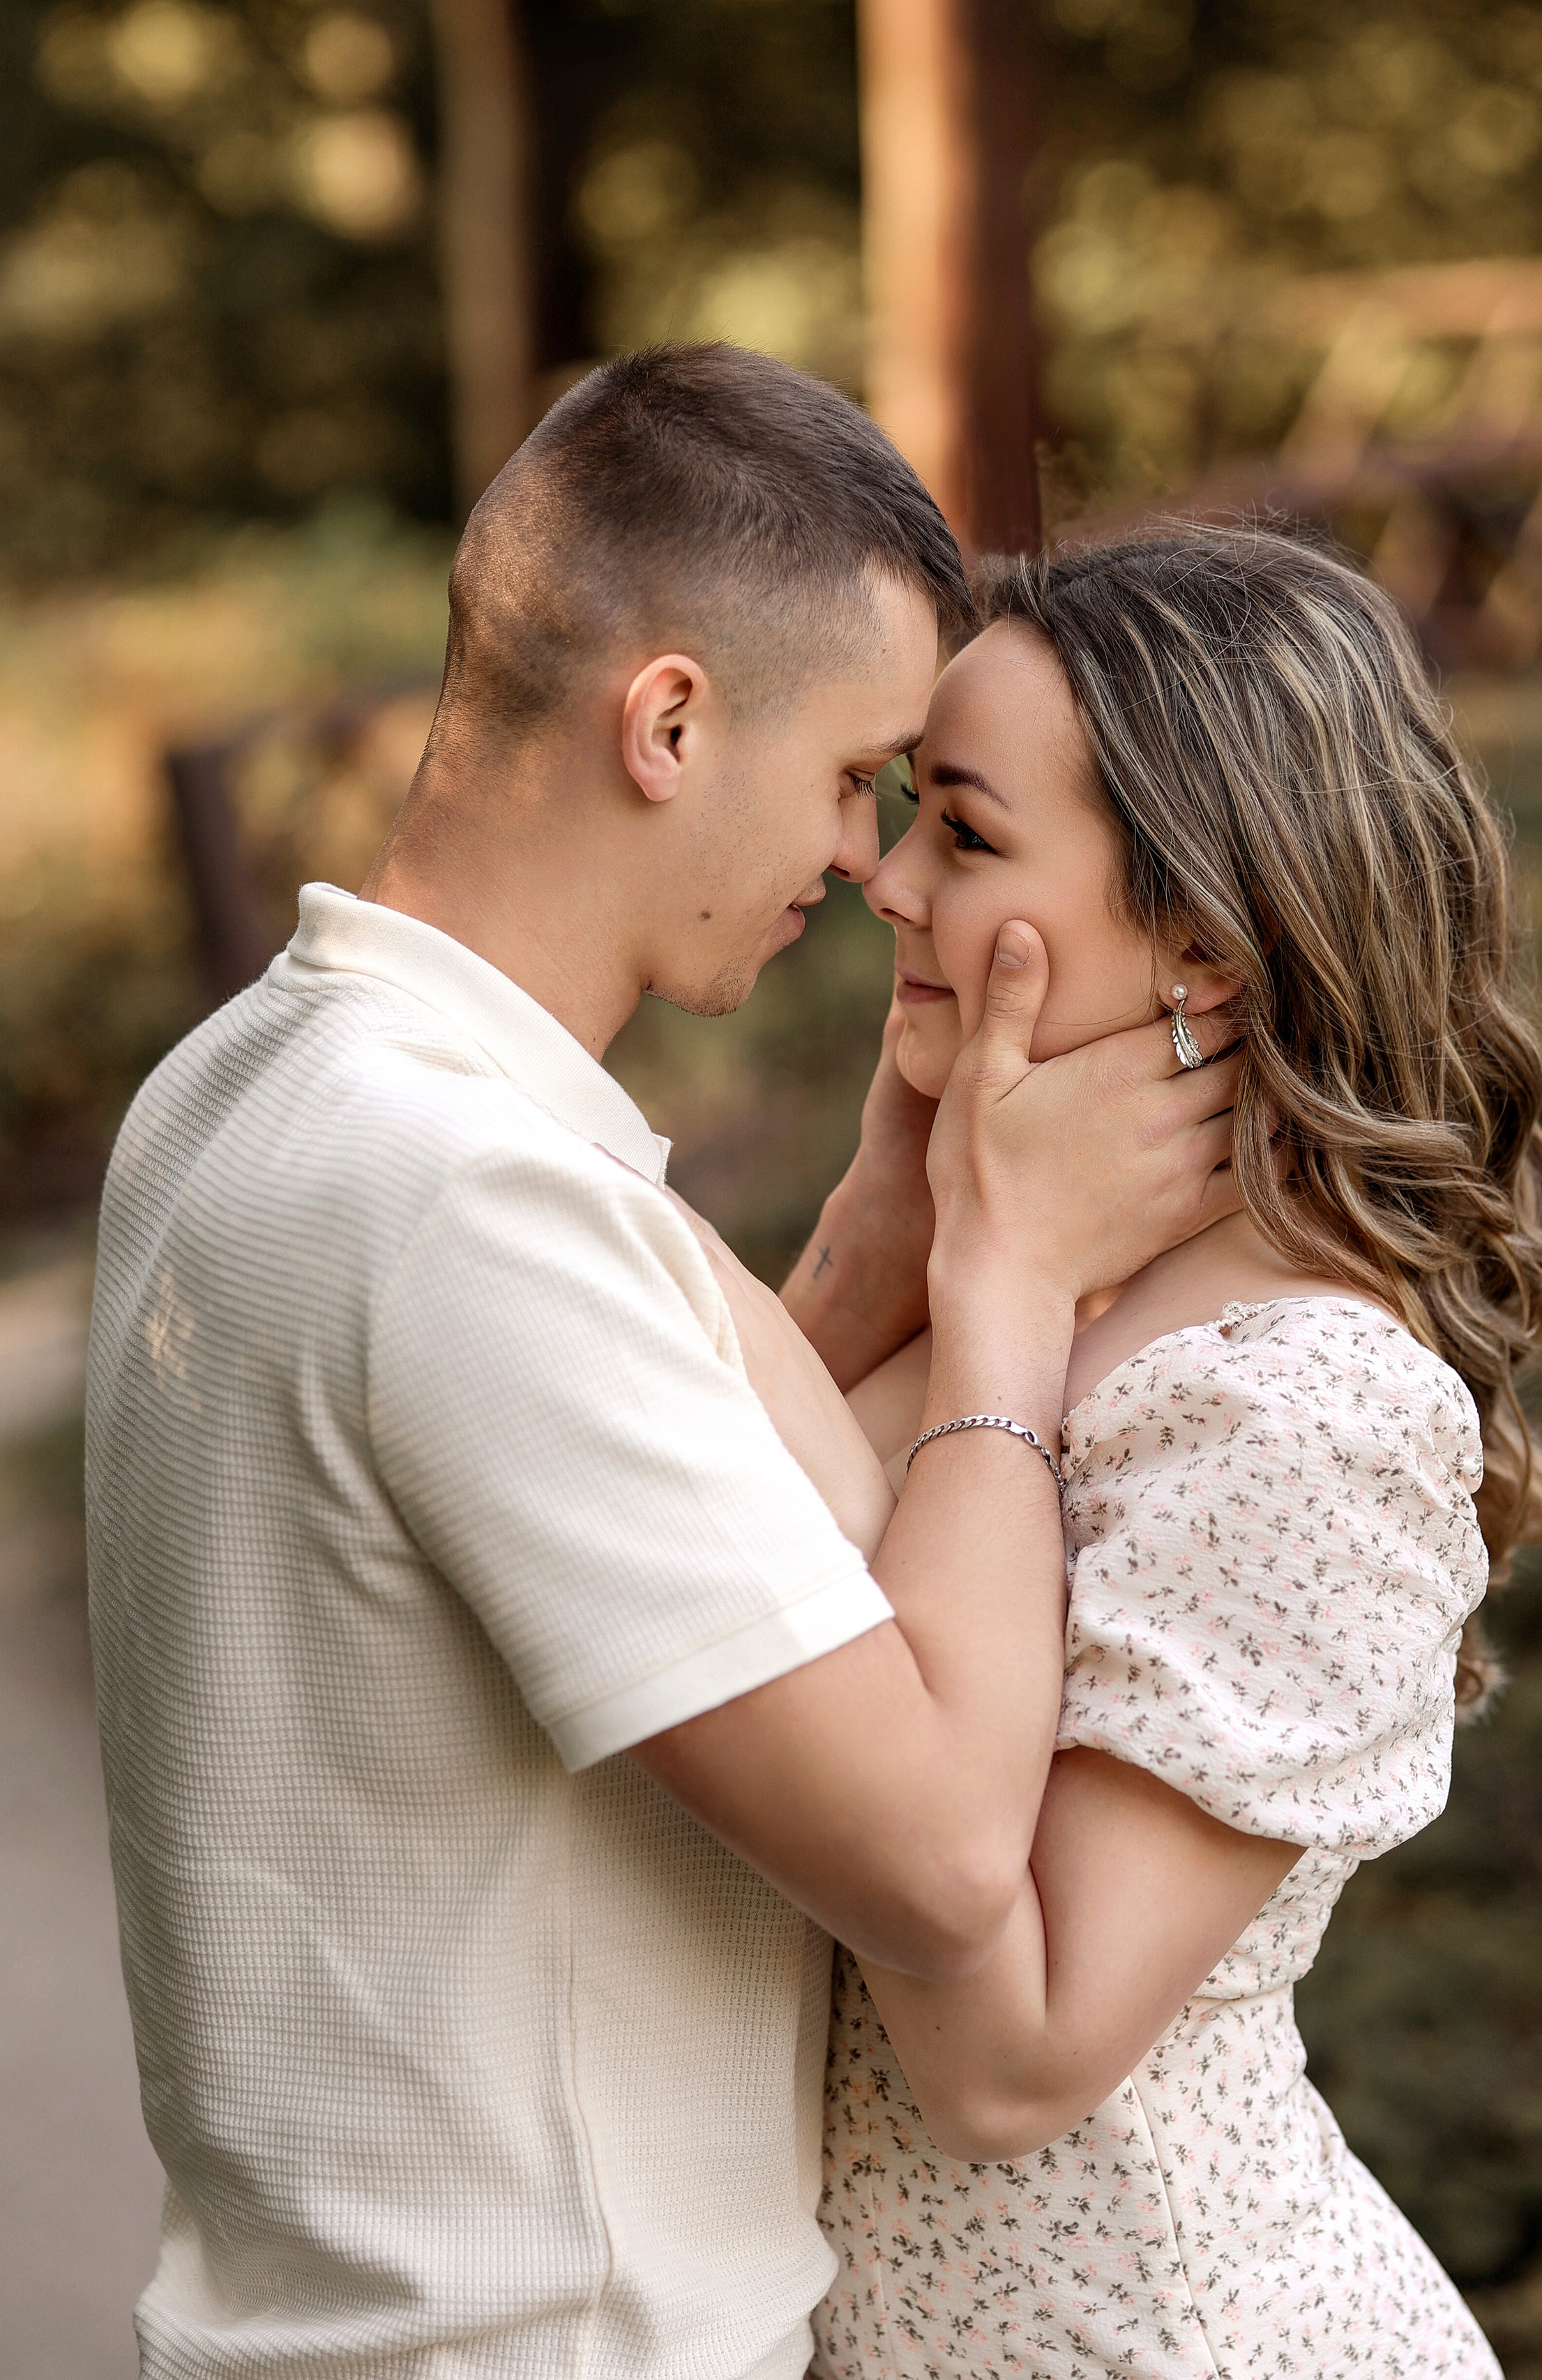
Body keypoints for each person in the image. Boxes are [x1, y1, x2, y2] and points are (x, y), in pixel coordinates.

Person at [84, 349, 1243, 2380]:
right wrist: (1011, 1288)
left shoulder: (250, 1085)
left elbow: (616, 1550)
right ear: (672, 720)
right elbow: (948, 1857)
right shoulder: (466, 1202)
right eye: (860, 778)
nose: (873, 869)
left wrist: (877, 1247)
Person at [727, 524, 1542, 2379]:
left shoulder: (1310, 1407)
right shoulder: (1017, 1282)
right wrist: (897, 1236)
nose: (880, 877)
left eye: (964, 828)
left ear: (1204, 934)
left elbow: (1008, 2060)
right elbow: (693, 1571)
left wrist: (999, 1295)